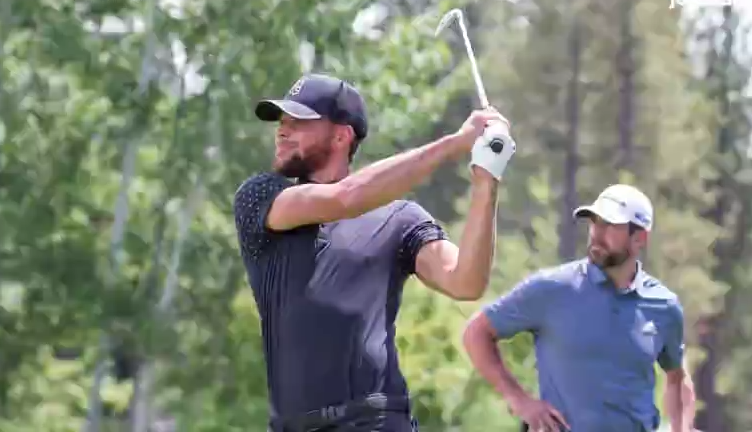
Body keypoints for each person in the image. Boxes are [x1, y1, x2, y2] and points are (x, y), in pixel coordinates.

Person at [232, 73, 516, 432]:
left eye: (298, 122)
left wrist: (485, 182)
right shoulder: (260, 198)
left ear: (341, 135)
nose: (283, 131)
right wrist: (455, 144)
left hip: (377, 420)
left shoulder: (400, 218)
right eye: (281, 122)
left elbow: (465, 282)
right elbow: (346, 198)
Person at [462, 184, 696, 432]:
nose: (597, 233)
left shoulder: (664, 306)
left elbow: (676, 377)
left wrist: (681, 428)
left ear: (640, 238)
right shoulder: (551, 288)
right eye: (595, 223)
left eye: (610, 225)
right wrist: (519, 400)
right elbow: (476, 333)